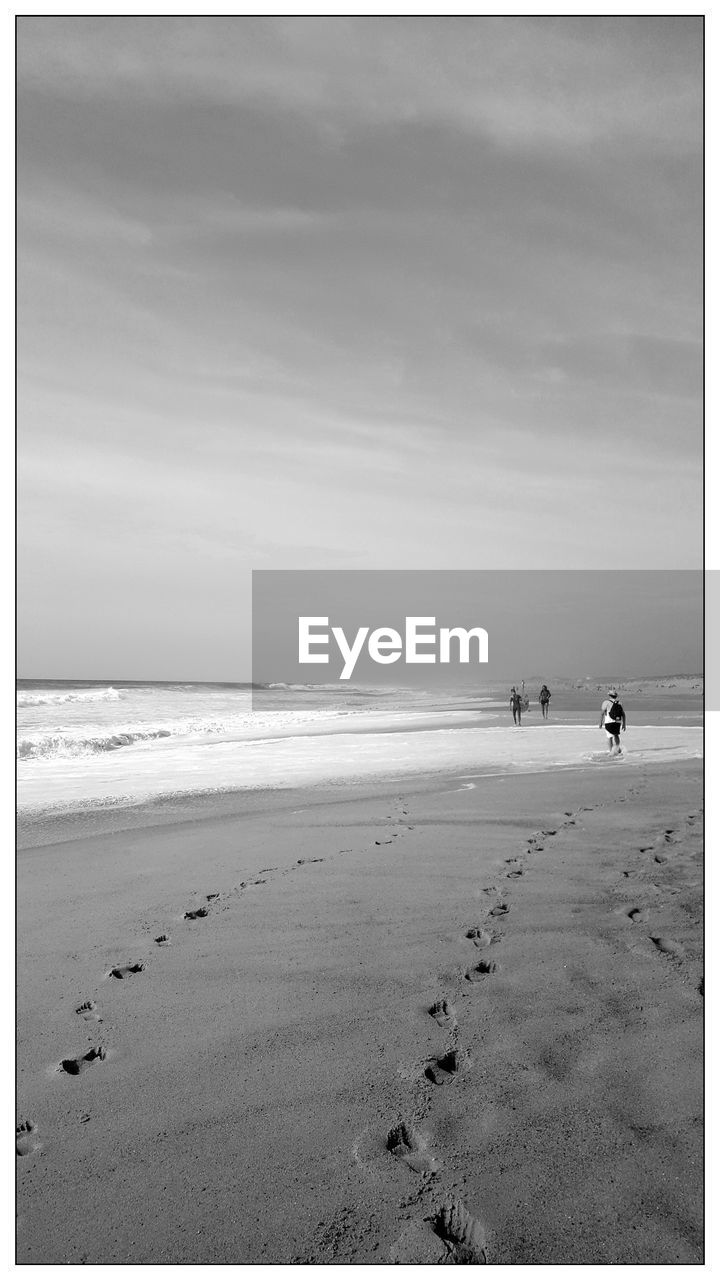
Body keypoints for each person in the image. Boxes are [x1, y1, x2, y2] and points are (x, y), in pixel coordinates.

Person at [599, 687, 626, 754]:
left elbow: (602, 713)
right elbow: (623, 715)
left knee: (609, 737)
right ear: (615, 696)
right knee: (616, 735)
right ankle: (617, 749)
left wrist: (600, 723)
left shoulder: (606, 702)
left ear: (609, 695)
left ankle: (612, 751)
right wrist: (624, 724)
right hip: (617, 722)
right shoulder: (619, 703)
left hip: (608, 723)